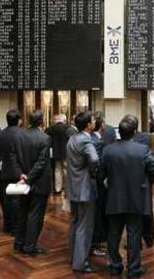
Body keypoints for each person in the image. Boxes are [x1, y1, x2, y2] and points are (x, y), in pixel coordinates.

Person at [102, 117, 154, 277]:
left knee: (113, 234)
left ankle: (115, 265)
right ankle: (134, 268)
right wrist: (147, 181)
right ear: (134, 132)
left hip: (114, 197)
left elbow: (101, 172)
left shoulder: (108, 149)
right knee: (134, 234)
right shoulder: (142, 149)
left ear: (119, 132)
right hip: (136, 198)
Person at [11, 110, 52, 255]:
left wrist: (21, 175)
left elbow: (13, 157)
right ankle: (30, 246)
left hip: (23, 181)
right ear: (42, 121)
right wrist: (28, 178)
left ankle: (19, 243)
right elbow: (41, 163)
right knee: (35, 215)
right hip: (38, 183)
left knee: (23, 212)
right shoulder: (45, 138)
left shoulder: (18, 135)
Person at [66, 111, 100, 273]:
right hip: (85, 188)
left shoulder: (72, 138)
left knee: (74, 222)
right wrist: (93, 172)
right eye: (93, 121)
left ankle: (73, 256)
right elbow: (94, 159)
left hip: (73, 187)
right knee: (84, 227)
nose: (95, 122)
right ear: (88, 125)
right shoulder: (87, 140)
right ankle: (80, 263)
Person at [123, 114, 154, 248]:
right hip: (144, 178)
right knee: (146, 210)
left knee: (131, 211)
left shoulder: (123, 139)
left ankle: (135, 241)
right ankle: (149, 238)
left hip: (127, 179)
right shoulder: (146, 137)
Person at [0, 110, 23, 234]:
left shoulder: (0, 133)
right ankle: (17, 226)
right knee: (18, 200)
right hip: (19, 170)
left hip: (4, 170)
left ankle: (8, 225)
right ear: (18, 120)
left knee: (7, 199)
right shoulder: (22, 133)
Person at [90, 112, 108, 256]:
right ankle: (95, 243)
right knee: (96, 213)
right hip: (96, 184)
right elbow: (98, 164)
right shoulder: (98, 141)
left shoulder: (90, 138)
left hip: (91, 183)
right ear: (101, 125)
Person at [46, 114, 69, 194]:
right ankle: (66, 188)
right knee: (66, 170)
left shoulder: (50, 129)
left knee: (57, 170)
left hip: (55, 152)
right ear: (64, 120)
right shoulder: (68, 128)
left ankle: (57, 188)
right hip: (66, 153)